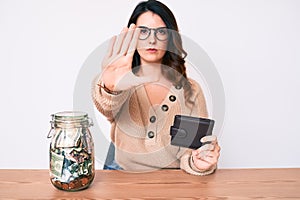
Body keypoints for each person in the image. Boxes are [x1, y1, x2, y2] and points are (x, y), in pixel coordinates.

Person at [92, 0, 220, 175]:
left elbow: (191, 152)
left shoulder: (191, 90)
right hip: (120, 174)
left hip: (173, 178)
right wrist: (111, 87)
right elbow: (106, 106)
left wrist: (199, 162)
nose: (152, 40)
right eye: (143, 31)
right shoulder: (120, 81)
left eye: (161, 32)